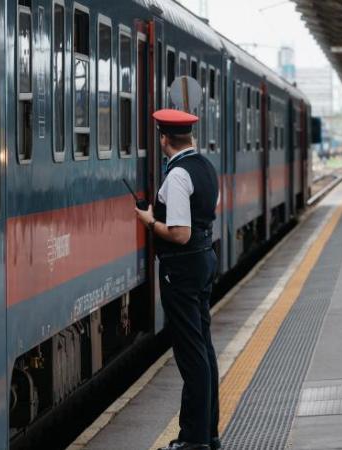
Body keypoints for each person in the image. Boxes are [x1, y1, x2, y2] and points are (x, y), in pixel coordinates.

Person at [135, 109, 221, 450]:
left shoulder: (178, 176)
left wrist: (148, 221)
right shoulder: (205, 168)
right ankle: (207, 434)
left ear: (164, 139)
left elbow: (180, 233)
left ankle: (194, 440)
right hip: (203, 261)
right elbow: (200, 219)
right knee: (204, 348)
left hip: (182, 267)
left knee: (191, 354)